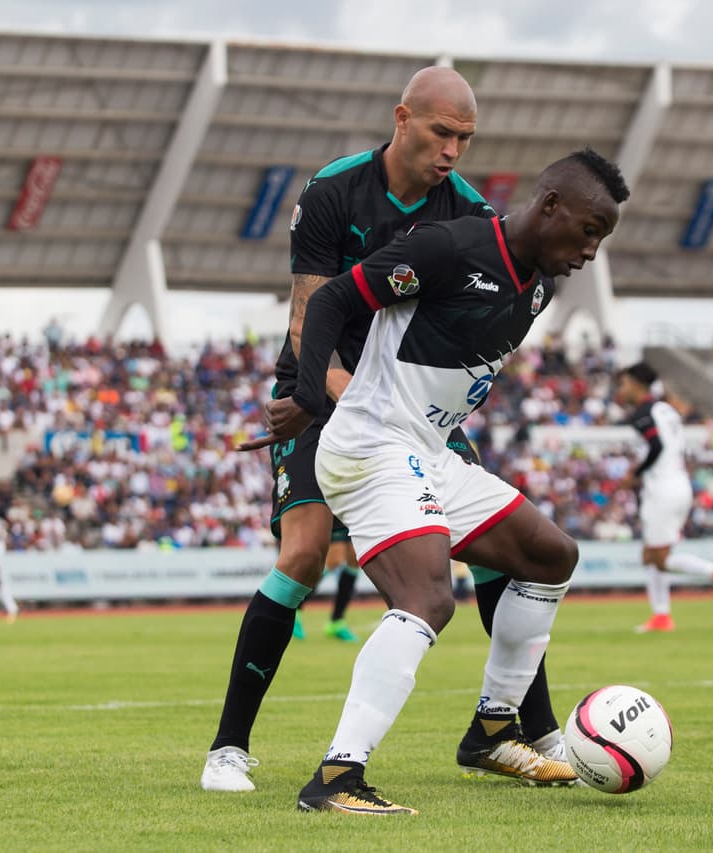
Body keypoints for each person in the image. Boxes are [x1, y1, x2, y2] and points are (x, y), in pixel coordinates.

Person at [201, 66, 565, 793]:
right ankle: (228, 747)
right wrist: (334, 398)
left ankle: (521, 727)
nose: (453, 151)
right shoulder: (334, 189)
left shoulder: (463, 210)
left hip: (404, 405)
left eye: (465, 138)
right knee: (303, 555)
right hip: (318, 386)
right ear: (402, 118)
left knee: (501, 549)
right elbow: (311, 316)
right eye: (441, 132)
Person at [240, 147, 631, 814]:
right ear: (550, 206)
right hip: (370, 445)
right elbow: (335, 297)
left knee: (551, 554)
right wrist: (310, 393)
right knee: (428, 598)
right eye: (589, 230)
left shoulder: (538, 285)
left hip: (425, 450)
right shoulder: (451, 248)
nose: (591, 250)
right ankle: (337, 777)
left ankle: (493, 727)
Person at [615, 364, 713, 633]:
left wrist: (635, 473)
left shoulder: (642, 413)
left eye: (625, 384)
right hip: (678, 483)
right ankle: (661, 616)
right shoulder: (667, 409)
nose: (622, 390)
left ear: (637, 384)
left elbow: (656, 445)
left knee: (658, 557)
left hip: (661, 488)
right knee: (651, 554)